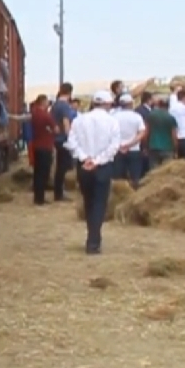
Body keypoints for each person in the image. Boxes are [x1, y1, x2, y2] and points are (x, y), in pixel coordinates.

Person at [65, 91, 121, 255]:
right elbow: (114, 146)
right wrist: (97, 161)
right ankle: (93, 241)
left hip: (84, 166)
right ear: (108, 104)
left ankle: (92, 237)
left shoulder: (79, 120)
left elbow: (72, 142)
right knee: (99, 203)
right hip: (102, 166)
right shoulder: (112, 122)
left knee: (88, 202)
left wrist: (85, 158)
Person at [113, 93, 147, 188]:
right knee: (135, 176)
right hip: (134, 150)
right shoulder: (137, 117)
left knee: (118, 177)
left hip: (117, 150)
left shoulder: (114, 117)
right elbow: (141, 133)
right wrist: (129, 145)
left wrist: (121, 145)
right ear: (131, 103)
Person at [50, 83, 77, 202]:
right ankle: (59, 193)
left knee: (60, 166)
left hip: (56, 138)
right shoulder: (65, 106)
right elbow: (66, 122)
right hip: (63, 140)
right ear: (70, 92)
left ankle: (58, 192)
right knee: (64, 167)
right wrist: (70, 137)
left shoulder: (55, 105)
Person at [29, 95, 56, 205]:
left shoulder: (34, 114)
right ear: (43, 102)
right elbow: (56, 129)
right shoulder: (46, 116)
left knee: (37, 173)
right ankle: (41, 199)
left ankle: (37, 197)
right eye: (46, 102)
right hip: (46, 146)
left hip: (36, 145)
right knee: (44, 173)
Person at [145, 98, 178, 169]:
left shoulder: (151, 116)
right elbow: (174, 136)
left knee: (153, 170)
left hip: (153, 146)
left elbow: (146, 133)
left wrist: (145, 147)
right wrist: (176, 149)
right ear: (168, 106)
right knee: (166, 171)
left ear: (159, 105)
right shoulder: (171, 118)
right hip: (168, 147)